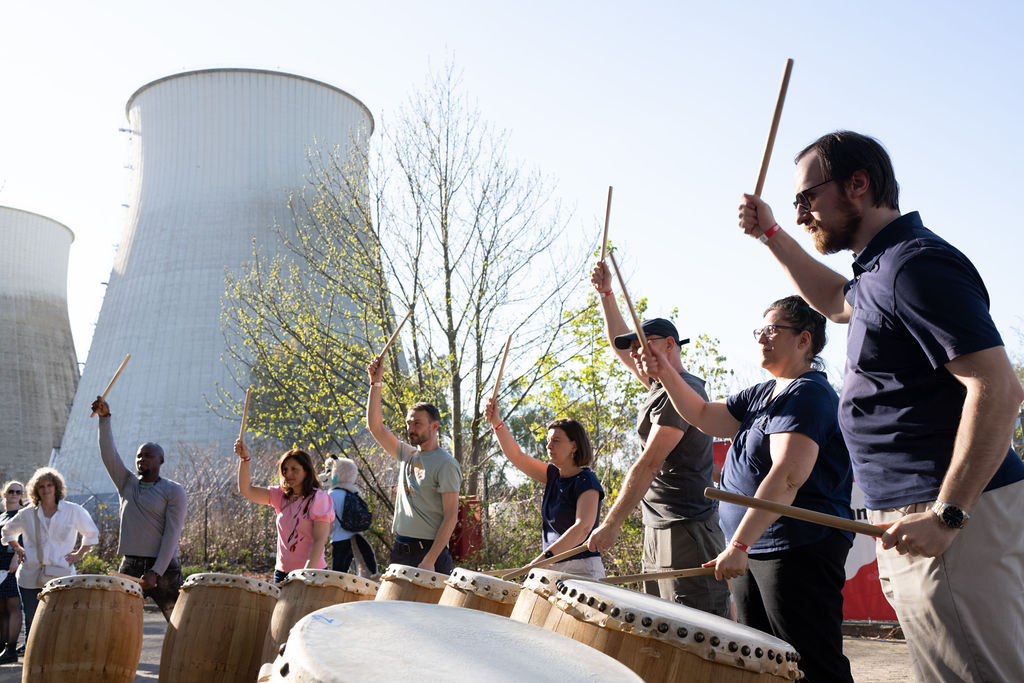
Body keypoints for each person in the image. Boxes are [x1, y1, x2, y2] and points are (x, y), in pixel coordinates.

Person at [739, 130, 1024, 682]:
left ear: (859, 184)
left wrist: (948, 514)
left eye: (806, 198)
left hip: (949, 514)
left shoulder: (914, 266)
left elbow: (998, 387)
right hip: (915, 517)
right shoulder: (878, 272)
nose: (801, 214)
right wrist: (770, 234)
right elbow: (834, 301)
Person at [643, 296, 853, 683]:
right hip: (756, 547)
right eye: (760, 330)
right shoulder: (762, 393)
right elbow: (705, 416)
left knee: (808, 662)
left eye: (773, 330)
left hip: (796, 547)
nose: (762, 338)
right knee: (765, 662)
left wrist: (739, 544)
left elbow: (788, 475)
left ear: (804, 339)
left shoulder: (807, 394)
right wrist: (666, 371)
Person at [585, 269, 730, 617]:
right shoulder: (657, 388)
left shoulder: (681, 392)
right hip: (658, 526)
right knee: (662, 624)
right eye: (633, 348)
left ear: (669, 345)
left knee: (697, 629)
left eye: (643, 346)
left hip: (686, 529)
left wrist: (612, 523)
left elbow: (649, 463)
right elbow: (617, 343)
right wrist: (606, 294)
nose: (635, 354)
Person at [485, 398, 606, 579]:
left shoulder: (587, 481)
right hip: (551, 567)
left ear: (574, 445)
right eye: (548, 440)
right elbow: (517, 456)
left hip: (582, 569)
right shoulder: (553, 476)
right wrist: (497, 423)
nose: (549, 446)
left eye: (556, 440)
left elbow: (583, 528)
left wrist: (544, 558)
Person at [90, 397, 187, 621]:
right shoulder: (127, 483)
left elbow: (172, 534)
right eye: (139, 456)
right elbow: (109, 455)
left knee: (177, 621)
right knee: (118, 620)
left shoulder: (173, 490)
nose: (142, 459)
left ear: (161, 460)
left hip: (163, 568)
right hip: (131, 563)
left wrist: (156, 571)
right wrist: (105, 419)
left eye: (148, 455)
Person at [366, 356, 462, 574]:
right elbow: (376, 427)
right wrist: (376, 382)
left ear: (434, 426)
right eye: (409, 423)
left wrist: (430, 559)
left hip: (428, 553)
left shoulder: (446, 464)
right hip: (401, 549)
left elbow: (451, 516)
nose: (411, 428)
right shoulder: (407, 455)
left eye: (417, 423)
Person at [1, 468, 98, 644]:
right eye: (41, 487)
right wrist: (17, 548)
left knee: (63, 618)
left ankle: (59, 658)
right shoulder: (27, 513)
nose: (46, 490)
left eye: (49, 485)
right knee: (33, 621)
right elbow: (7, 531)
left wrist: (78, 554)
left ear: (57, 487)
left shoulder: (73, 511)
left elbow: (91, 534)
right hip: (30, 576)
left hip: (62, 574)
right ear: (35, 490)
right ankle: (35, 664)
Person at [235, 441, 333, 583]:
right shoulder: (280, 495)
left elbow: (320, 540)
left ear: (306, 470)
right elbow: (246, 490)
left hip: (311, 574)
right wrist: (245, 459)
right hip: (281, 573)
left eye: (294, 469)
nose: (288, 474)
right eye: (285, 470)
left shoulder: (319, 498)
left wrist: (305, 574)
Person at [323, 455, 378, 578]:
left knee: (338, 574)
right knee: (360, 570)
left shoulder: (332, 495)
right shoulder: (354, 493)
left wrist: (322, 538)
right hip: (356, 537)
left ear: (336, 474)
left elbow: (329, 522)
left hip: (339, 540)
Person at [0, 481, 25, 663]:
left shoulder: (23, 515)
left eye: (18, 491)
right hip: (0, 565)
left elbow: (25, 537)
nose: (14, 494)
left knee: (13, 606)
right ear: (4, 494)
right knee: (1, 607)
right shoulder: (2, 516)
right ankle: (3, 646)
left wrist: (16, 556)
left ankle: (11, 650)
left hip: (13, 564)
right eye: (11, 491)